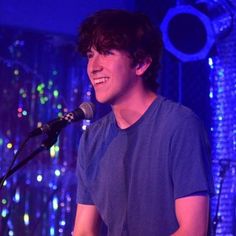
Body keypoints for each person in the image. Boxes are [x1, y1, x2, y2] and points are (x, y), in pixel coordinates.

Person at [73, 9, 214, 236]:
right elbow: (83, 230)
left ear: (141, 63)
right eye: (90, 55)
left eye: (106, 52)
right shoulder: (93, 138)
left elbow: (193, 230)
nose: (93, 66)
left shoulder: (180, 125)